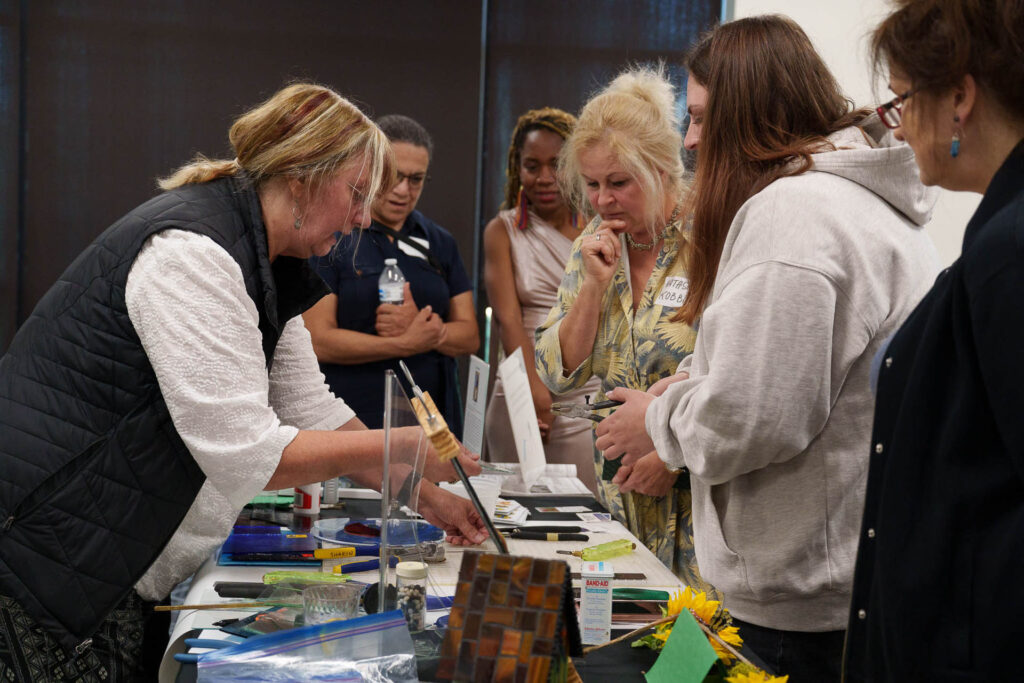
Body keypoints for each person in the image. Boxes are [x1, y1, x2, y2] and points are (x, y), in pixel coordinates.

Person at [0, 83, 486, 682]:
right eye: (357, 193)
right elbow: (248, 453)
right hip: (45, 559)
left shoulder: (266, 261)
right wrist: (402, 442)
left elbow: (310, 407)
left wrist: (426, 496)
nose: (363, 217)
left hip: (97, 552)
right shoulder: (193, 255)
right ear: (301, 177)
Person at [595, 17, 941, 681]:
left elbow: (755, 415)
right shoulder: (856, 204)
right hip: (838, 587)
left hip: (794, 613)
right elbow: (788, 370)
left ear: (748, 113)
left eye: (700, 118)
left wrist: (658, 421)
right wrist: (694, 382)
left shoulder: (794, 213)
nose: (691, 140)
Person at [843, 1, 1024, 679]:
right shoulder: (998, 237)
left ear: (959, 99)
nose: (896, 126)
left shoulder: (1010, 254)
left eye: (901, 101)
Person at [533, 66, 714, 594]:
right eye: (591, 185)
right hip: (620, 498)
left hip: (698, 502)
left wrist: (670, 458)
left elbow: (734, 374)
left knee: (699, 639)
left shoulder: (711, 235)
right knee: (630, 634)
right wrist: (593, 286)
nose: (602, 200)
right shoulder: (594, 242)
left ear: (662, 169)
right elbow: (557, 375)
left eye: (618, 183)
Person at [304, 115, 478, 433]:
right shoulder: (335, 234)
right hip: (352, 418)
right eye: (393, 176)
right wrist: (405, 343)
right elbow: (318, 340)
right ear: (370, 169)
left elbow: (470, 335)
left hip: (430, 421)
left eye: (416, 180)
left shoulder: (440, 241)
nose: (402, 190)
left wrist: (432, 331)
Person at [482, 107, 602, 494]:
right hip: (521, 386)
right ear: (517, 168)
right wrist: (536, 393)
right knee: (511, 511)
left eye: (557, 164)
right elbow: (508, 320)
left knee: (585, 515)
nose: (545, 177)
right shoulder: (500, 231)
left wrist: (556, 394)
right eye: (532, 166)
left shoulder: (601, 229)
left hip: (583, 391)